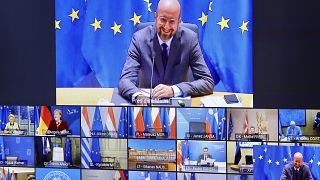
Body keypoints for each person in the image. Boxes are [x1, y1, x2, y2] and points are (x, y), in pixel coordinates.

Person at [118, 0, 214, 104]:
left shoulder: (190, 39)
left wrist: (173, 90)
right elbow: (125, 81)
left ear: (179, 21)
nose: (166, 27)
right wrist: (138, 96)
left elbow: (207, 82)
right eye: (163, 20)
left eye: (172, 21)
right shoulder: (139, 39)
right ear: (155, 17)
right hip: (146, 107)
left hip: (178, 107)